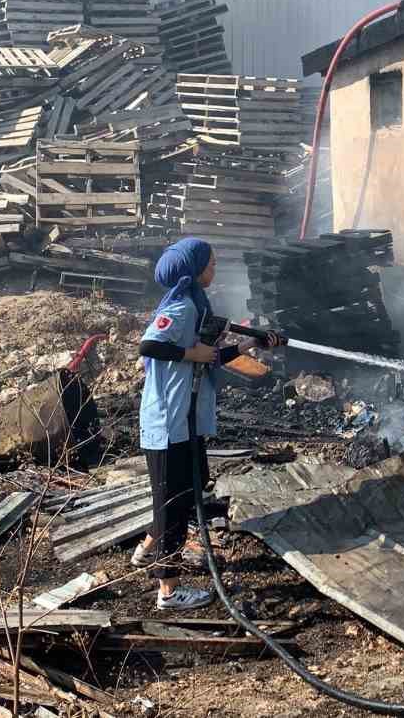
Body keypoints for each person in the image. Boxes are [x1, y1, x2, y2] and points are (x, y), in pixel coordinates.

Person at [132, 238, 279, 610]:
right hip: (168, 423)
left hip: (186, 422)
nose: (214, 269)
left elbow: (212, 357)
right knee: (174, 503)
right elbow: (148, 347)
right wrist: (188, 352)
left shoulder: (196, 307)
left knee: (184, 494)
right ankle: (168, 591)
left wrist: (250, 346)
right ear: (194, 271)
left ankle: (146, 549)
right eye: (210, 264)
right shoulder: (181, 308)